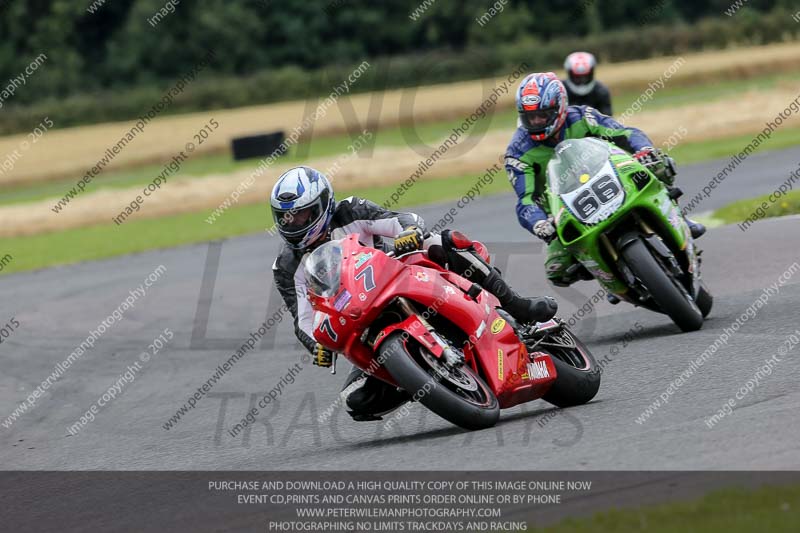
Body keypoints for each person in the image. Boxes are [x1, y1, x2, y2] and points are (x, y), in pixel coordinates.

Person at [270, 166, 557, 421]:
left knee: (442, 242)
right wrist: (317, 347)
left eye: (302, 215)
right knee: (355, 399)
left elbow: (398, 220)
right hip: (360, 321)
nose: (293, 224)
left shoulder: (350, 210)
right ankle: (421, 375)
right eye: (286, 219)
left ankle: (517, 306)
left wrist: (409, 231)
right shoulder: (285, 266)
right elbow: (303, 320)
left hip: (394, 275)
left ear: (323, 205)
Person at [504, 72, 705, 288]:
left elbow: (625, 133)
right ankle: (608, 272)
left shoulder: (583, 117)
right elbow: (524, 201)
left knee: (658, 163)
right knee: (557, 269)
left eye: (542, 115)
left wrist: (644, 150)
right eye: (529, 117)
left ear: (559, 107)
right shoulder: (517, 153)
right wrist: (539, 223)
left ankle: (678, 217)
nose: (536, 122)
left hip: (610, 178)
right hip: (565, 208)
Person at [562, 52, 612, 116]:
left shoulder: (601, 92)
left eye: (585, 77)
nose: (582, 80)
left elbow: (607, 120)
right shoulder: (560, 92)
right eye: (577, 77)